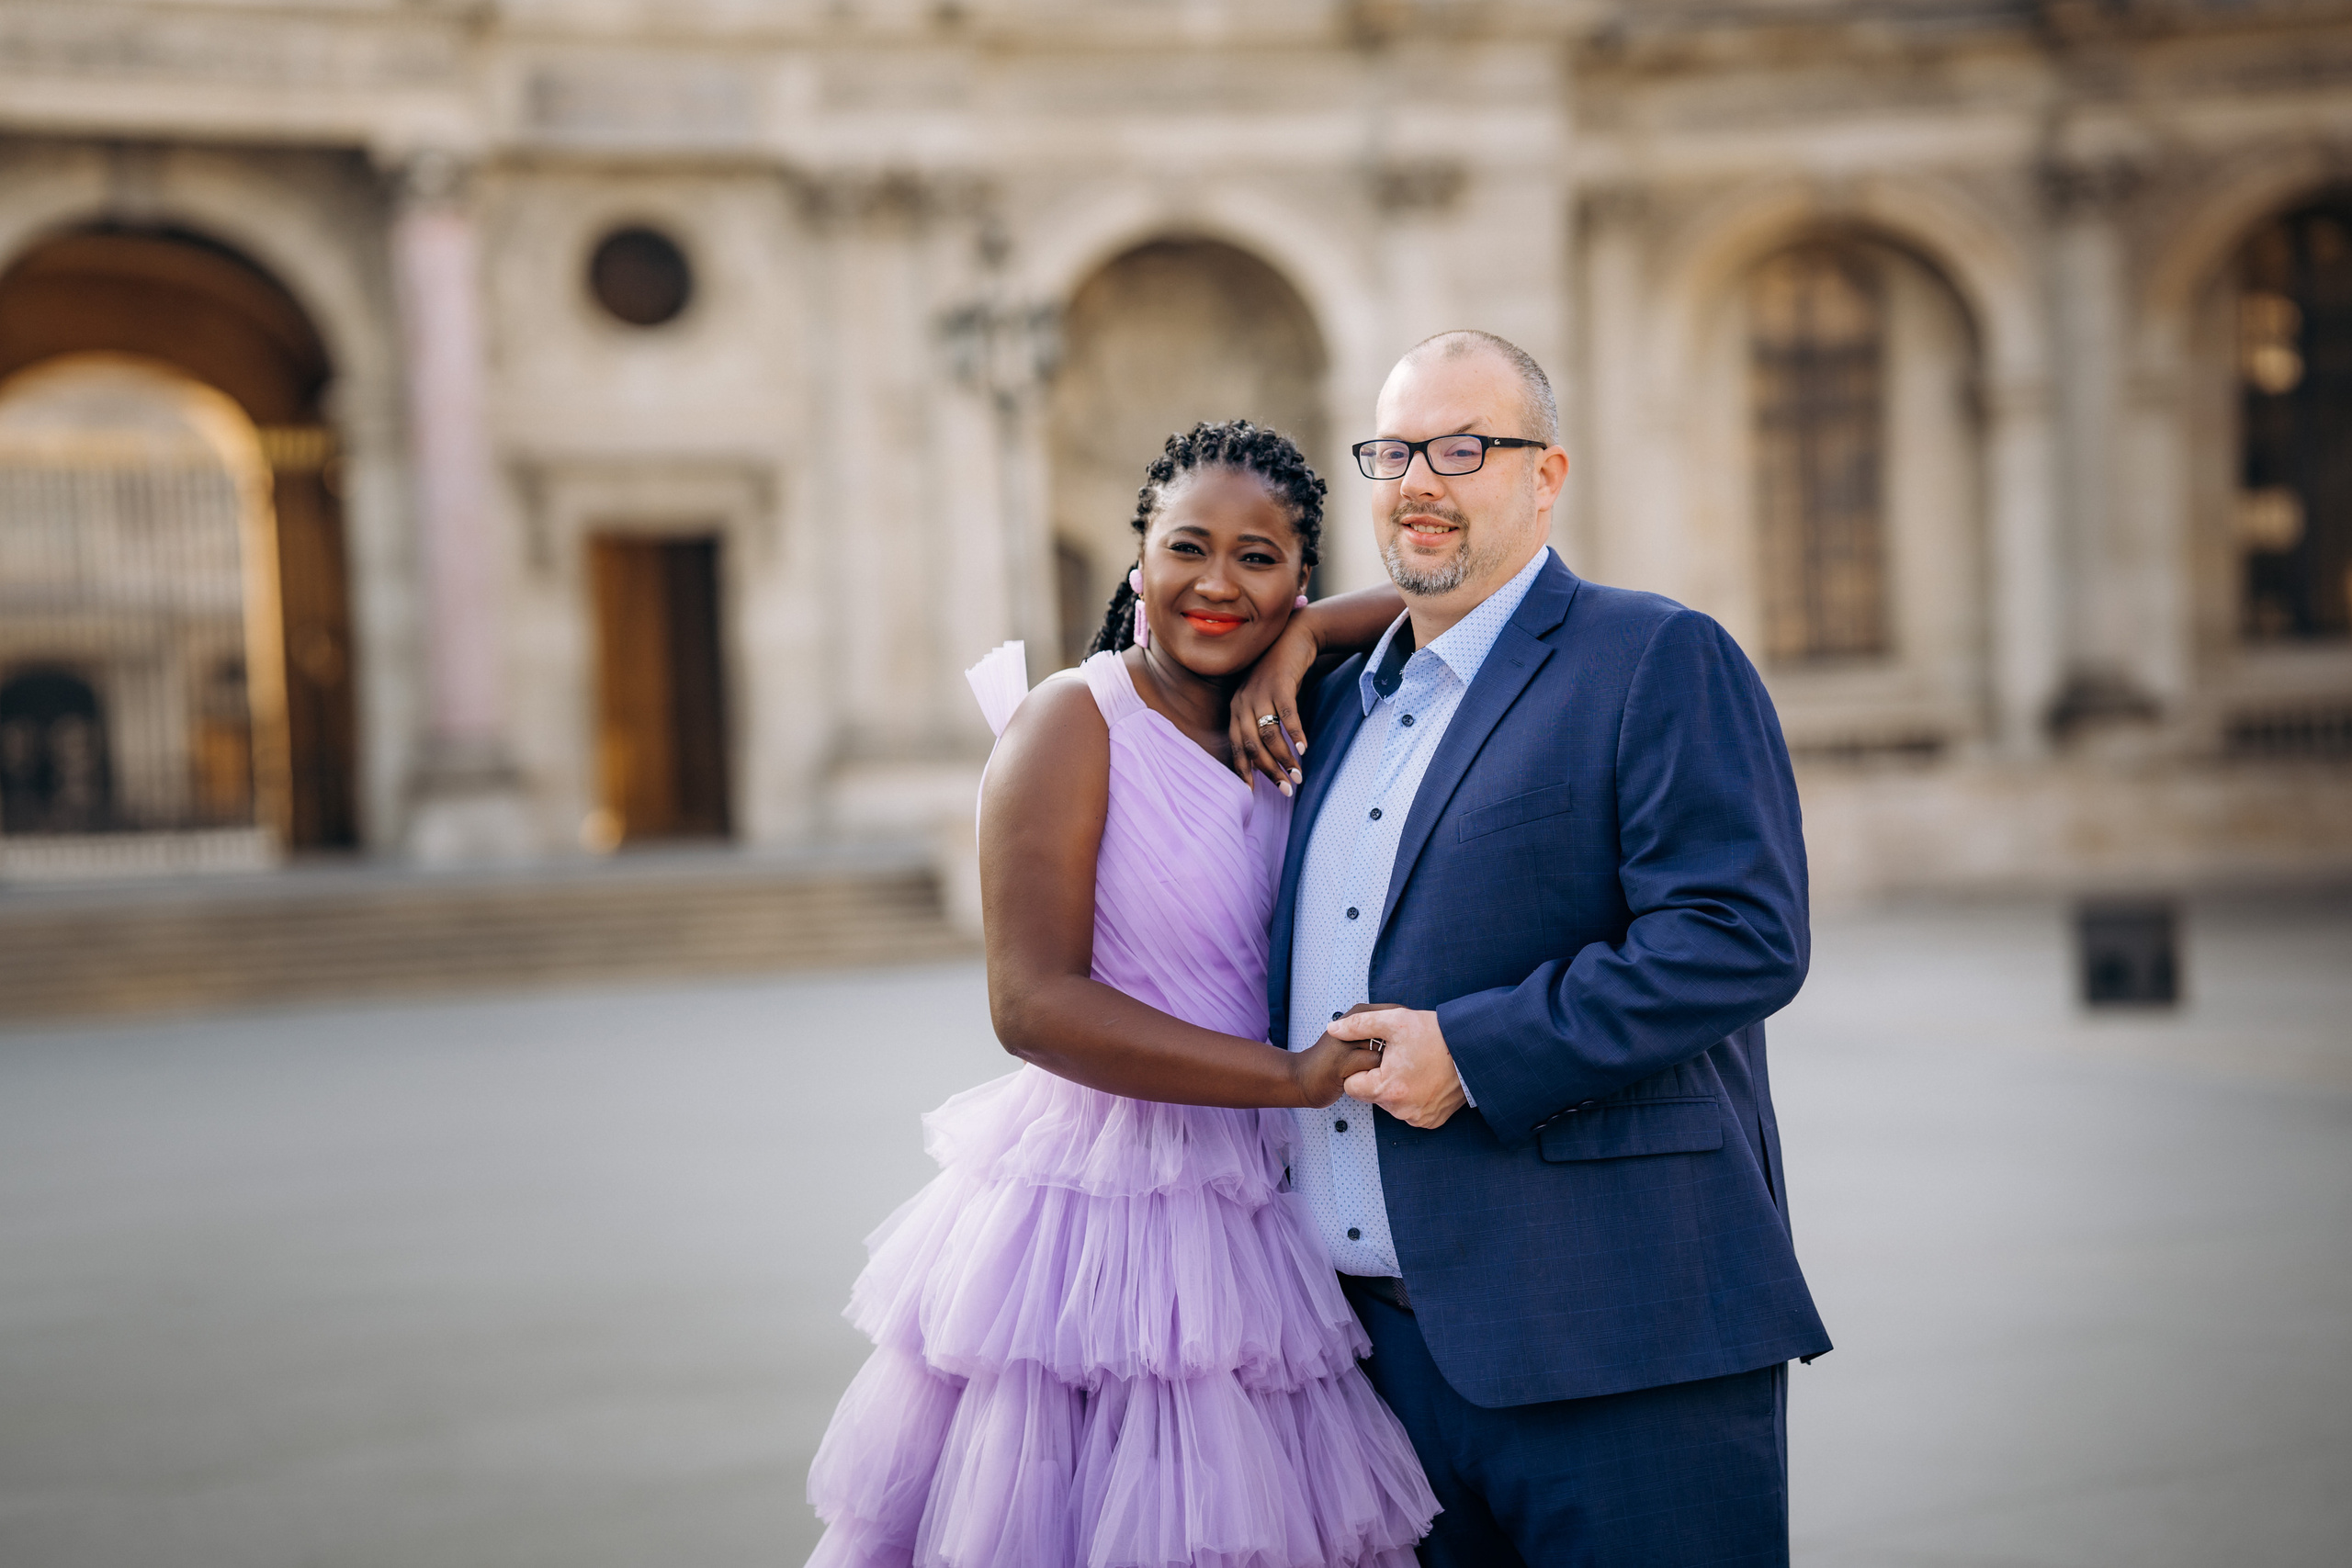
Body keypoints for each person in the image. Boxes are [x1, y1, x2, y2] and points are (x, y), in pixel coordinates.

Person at [1228, 331, 1833, 1566]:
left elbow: (1738, 935)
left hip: (1617, 1336)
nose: (1419, 481)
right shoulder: (1336, 703)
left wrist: (1476, 1048)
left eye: (1465, 447)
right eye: (1394, 451)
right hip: (1376, 1371)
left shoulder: (1655, 656)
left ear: (1547, 474)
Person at [804, 421, 1439, 1568]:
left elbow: (1437, 602)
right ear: (1137, 560)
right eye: (1186, 546)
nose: (1216, 582)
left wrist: (1297, 648)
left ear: (1304, 577)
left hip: (1268, 1199)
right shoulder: (1072, 718)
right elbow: (1031, 1004)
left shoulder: (1288, 709)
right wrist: (1289, 1079)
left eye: (1261, 558)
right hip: (1103, 1206)